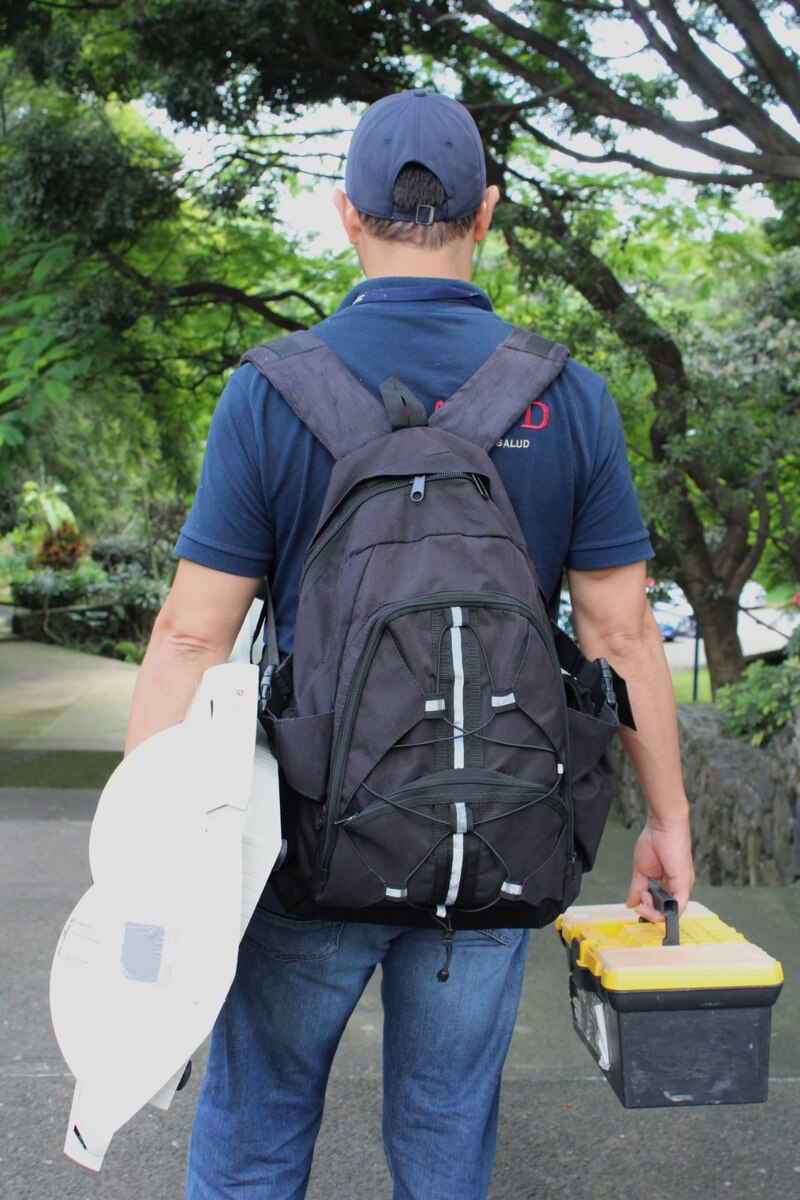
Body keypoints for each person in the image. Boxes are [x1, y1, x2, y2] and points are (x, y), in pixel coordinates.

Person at [125, 89, 694, 1200]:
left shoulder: (267, 394)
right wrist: (665, 822)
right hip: (493, 843)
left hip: (302, 848)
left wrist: (148, 858)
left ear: (347, 214)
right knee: (442, 1141)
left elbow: (188, 639)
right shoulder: (567, 396)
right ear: (485, 212)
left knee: (254, 1134)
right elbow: (620, 632)